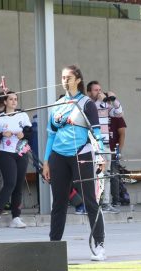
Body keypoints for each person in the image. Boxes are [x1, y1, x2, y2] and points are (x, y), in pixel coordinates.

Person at [42, 65, 106, 261]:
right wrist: (46, 161)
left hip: (81, 153)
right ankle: (54, 246)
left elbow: (96, 132)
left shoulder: (87, 103)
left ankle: (99, 244)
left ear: (78, 80)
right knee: (59, 202)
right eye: (62, 77)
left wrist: (101, 155)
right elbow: (51, 135)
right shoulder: (58, 104)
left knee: (89, 200)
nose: (64, 80)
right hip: (58, 156)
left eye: (68, 77)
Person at [0, 91, 32, 229]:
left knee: (18, 185)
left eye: (15, 99)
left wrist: (23, 134)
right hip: (6, 153)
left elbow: (30, 132)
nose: (14, 101)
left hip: (21, 152)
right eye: (10, 99)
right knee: (10, 183)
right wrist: (2, 135)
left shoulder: (22, 115)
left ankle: (16, 216)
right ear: (5, 102)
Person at [87, 82, 123, 214]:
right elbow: (90, 115)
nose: (99, 92)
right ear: (89, 92)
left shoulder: (105, 104)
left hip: (106, 145)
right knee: (95, 175)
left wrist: (114, 100)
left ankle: (106, 203)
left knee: (106, 175)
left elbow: (119, 114)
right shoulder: (88, 104)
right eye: (96, 90)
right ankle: (95, 203)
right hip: (94, 145)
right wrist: (101, 102)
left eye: (100, 90)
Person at [109, 115, 127, 206]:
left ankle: (116, 200)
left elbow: (122, 133)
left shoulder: (116, 116)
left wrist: (119, 151)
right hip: (98, 150)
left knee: (114, 175)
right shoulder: (96, 112)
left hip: (112, 151)